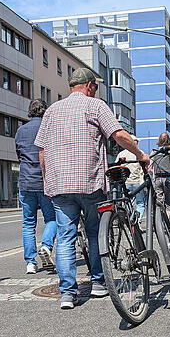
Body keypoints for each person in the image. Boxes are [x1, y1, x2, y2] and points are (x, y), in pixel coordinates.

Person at [35, 67, 149, 310]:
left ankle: (67, 294)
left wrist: (47, 180)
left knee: (65, 238)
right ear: (89, 86)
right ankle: (98, 283)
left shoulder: (52, 110)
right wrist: (139, 154)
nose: (95, 91)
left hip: (60, 185)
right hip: (89, 182)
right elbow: (118, 135)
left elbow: (42, 151)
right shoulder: (95, 106)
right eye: (95, 87)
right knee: (96, 232)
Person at [15, 99, 56, 274]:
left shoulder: (20, 130)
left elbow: (19, 154)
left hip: (25, 182)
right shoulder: (49, 128)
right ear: (45, 111)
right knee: (52, 219)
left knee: (28, 224)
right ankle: (46, 245)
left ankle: (30, 263)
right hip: (44, 182)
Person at [115, 136, 146, 219]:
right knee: (140, 203)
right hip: (138, 182)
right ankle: (138, 221)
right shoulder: (139, 152)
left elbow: (116, 167)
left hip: (126, 183)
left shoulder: (121, 154)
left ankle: (130, 221)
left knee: (129, 202)